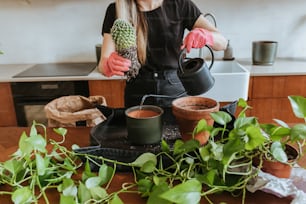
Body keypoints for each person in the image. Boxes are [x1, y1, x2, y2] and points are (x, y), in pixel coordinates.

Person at [98, 0, 227, 109]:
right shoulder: (116, 10)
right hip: (137, 93)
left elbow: (222, 42)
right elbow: (103, 64)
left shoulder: (180, 4)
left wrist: (207, 36)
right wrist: (109, 65)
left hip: (177, 91)